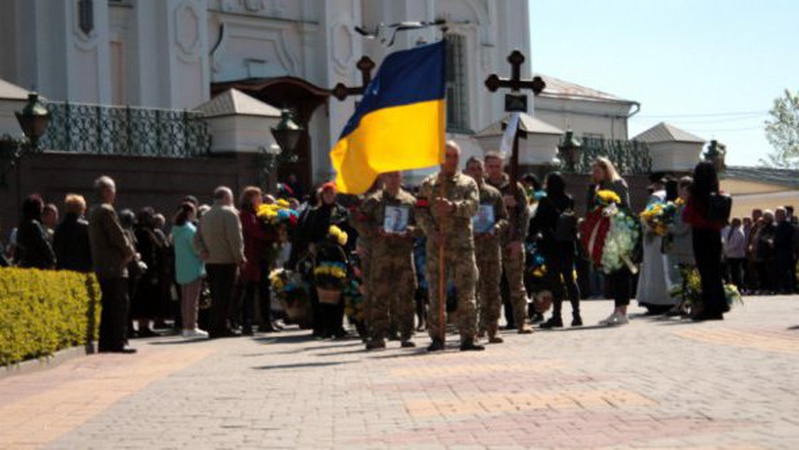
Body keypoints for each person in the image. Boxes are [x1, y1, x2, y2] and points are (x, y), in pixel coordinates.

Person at [416, 141, 483, 351]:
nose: (451, 160)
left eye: (455, 156)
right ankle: (437, 337)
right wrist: (432, 232)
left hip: (462, 246)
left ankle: (468, 337)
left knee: (467, 293)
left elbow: (474, 207)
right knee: (437, 294)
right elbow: (420, 211)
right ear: (440, 158)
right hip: (438, 247)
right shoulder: (429, 184)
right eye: (447, 156)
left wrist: (454, 207)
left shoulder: (468, 183)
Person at [358, 171, 419, 350]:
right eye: (389, 176)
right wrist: (375, 230)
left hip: (404, 256)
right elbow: (358, 221)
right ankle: (377, 336)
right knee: (379, 296)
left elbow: (422, 224)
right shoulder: (373, 201)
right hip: (381, 257)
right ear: (383, 179)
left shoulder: (410, 201)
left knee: (406, 296)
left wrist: (410, 231)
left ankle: (406, 335)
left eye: (396, 176)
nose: (393, 179)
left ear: (401, 178)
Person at [296, 182, 352, 338]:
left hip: (337, 256)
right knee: (319, 291)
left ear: (335, 195)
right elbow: (305, 234)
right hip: (319, 257)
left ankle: (337, 326)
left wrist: (344, 243)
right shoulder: (314, 213)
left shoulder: (342, 212)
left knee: (337, 290)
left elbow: (350, 233)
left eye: (331, 193)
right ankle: (321, 327)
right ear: (322, 196)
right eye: (326, 194)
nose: (328, 196)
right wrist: (310, 245)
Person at [484, 151, 532, 334]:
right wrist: (502, 204)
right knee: (489, 286)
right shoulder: (482, 187)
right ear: (486, 167)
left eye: (497, 166)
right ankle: (490, 324)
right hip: (489, 243)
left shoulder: (514, 187)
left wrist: (519, 240)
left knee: (517, 286)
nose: (494, 170)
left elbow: (525, 214)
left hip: (511, 241)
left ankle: (522, 321)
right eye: (491, 166)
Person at [88, 176, 137, 353]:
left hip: (102, 266)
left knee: (108, 306)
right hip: (114, 267)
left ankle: (108, 342)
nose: (115, 193)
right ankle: (118, 342)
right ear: (106, 191)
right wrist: (129, 251)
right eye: (113, 189)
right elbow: (118, 236)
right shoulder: (106, 210)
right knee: (118, 306)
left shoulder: (93, 210)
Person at [464, 157, 508, 343]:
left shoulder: (493, 194)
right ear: (466, 171)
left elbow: (504, 219)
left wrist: (496, 228)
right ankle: (473, 329)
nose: (475, 172)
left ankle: (492, 329)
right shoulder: (461, 193)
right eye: (472, 169)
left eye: (478, 168)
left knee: (491, 291)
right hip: (468, 249)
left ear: (484, 171)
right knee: (470, 291)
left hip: (490, 249)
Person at [532, 172, 582, 328]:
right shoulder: (569, 200)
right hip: (567, 245)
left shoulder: (545, 201)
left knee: (555, 283)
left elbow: (537, 222)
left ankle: (557, 316)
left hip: (551, 246)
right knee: (570, 281)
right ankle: (576, 315)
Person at [195, 186, 245, 339]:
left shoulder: (205, 215)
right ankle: (222, 327)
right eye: (230, 197)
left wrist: (202, 251)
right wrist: (240, 258)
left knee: (216, 296)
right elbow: (235, 239)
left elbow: (196, 239)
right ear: (225, 198)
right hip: (227, 260)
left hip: (210, 261)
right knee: (226, 296)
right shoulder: (230, 214)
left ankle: (214, 326)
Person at [587, 157, 632, 326]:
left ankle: (623, 312)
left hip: (620, 233)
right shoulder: (598, 187)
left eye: (597, 170)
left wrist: (606, 211)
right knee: (612, 274)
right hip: (606, 234)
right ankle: (616, 310)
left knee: (621, 273)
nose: (594, 174)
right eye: (593, 171)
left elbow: (624, 207)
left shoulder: (618, 184)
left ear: (607, 170)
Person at [683, 161, 728, 321]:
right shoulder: (718, 193)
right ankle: (719, 306)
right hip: (715, 235)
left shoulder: (696, 194)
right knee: (715, 272)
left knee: (705, 272)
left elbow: (687, 216)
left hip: (700, 234)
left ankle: (710, 308)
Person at [237, 186, 277, 336]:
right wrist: (275, 237)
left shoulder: (257, 213)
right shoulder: (246, 215)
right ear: (250, 198)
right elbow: (256, 232)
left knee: (263, 291)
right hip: (252, 258)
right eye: (257, 196)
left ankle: (266, 322)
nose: (260, 199)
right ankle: (246, 323)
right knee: (250, 291)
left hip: (260, 257)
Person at [636, 176, 674, 313]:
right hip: (669, 236)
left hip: (654, 237)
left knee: (654, 270)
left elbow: (646, 217)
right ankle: (670, 300)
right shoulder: (672, 196)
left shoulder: (656, 196)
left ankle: (655, 301)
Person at [171, 202, 207, 338]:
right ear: (190, 213)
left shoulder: (176, 229)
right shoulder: (190, 229)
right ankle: (192, 327)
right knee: (192, 301)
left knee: (185, 301)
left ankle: (186, 326)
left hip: (181, 267)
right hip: (193, 267)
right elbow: (196, 248)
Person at [131, 207, 165, 338]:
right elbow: (152, 254)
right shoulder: (146, 233)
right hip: (147, 272)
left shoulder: (136, 231)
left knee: (141, 300)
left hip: (140, 270)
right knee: (146, 300)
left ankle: (143, 326)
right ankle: (144, 327)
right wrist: (154, 273)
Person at [664, 176, 695, 315]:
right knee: (681, 278)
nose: (679, 192)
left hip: (685, 247)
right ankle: (681, 304)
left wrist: (667, 227)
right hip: (680, 246)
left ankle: (682, 305)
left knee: (682, 278)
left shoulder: (688, 207)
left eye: (680, 189)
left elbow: (683, 229)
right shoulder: (681, 206)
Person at [15, 194, 56, 269]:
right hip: (38, 264)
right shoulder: (34, 224)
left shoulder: (22, 224)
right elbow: (43, 244)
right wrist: (53, 259)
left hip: (25, 263)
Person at [53, 194, 92, 272]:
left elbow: (55, 248)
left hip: (63, 268)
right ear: (81, 209)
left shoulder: (59, 227)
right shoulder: (86, 227)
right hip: (82, 268)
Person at [773, 207, 795, 294]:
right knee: (781, 270)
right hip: (780, 250)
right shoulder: (779, 224)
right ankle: (784, 288)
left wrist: (774, 242)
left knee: (786, 270)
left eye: (778, 214)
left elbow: (784, 238)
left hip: (785, 250)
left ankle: (788, 288)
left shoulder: (786, 225)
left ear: (784, 215)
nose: (776, 216)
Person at [723, 217, 746, 290]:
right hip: (730, 255)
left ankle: (739, 286)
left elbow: (736, 244)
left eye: (735, 222)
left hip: (737, 256)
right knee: (732, 272)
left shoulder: (739, 231)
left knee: (736, 272)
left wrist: (728, 249)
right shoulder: (729, 230)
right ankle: (733, 285)